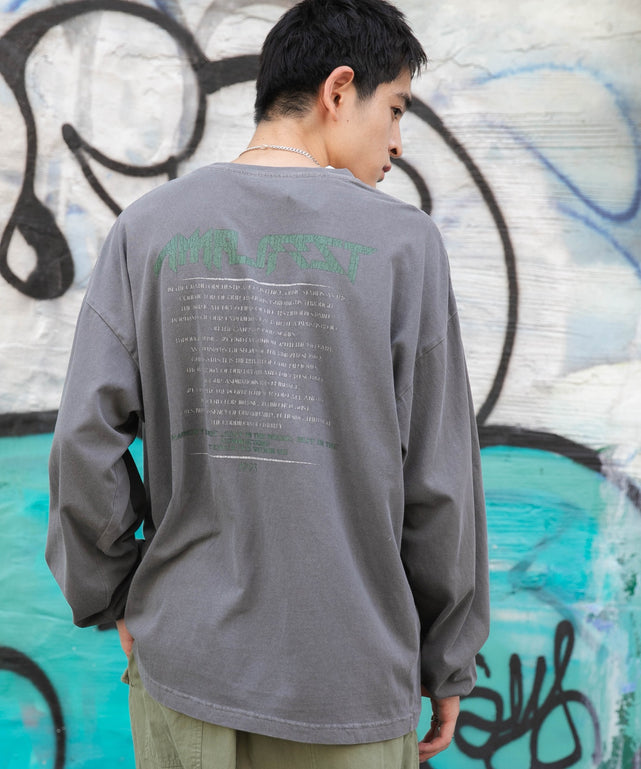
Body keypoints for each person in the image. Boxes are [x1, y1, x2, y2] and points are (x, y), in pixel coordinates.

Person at [47, 0, 489, 766]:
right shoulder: (403, 245)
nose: (397, 140)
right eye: (394, 108)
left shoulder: (146, 229)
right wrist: (447, 658)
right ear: (338, 90)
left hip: (183, 668)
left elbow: (85, 442)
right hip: (346, 687)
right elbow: (438, 483)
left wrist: (112, 593)